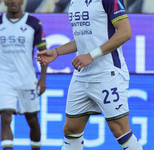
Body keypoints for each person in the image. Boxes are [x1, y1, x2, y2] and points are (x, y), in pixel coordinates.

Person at [36, 0, 143, 150]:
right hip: (82, 74)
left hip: (107, 73)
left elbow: (125, 32)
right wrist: (57, 51)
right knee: (71, 130)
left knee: (120, 131)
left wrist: (92, 55)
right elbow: (83, 39)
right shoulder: (74, 2)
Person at [0, 0, 47, 150]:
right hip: (5, 78)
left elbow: (44, 54)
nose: (13, 1)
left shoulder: (33, 23)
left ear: (22, 1)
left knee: (32, 120)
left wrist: (42, 79)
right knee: (5, 117)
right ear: (5, 2)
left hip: (27, 79)